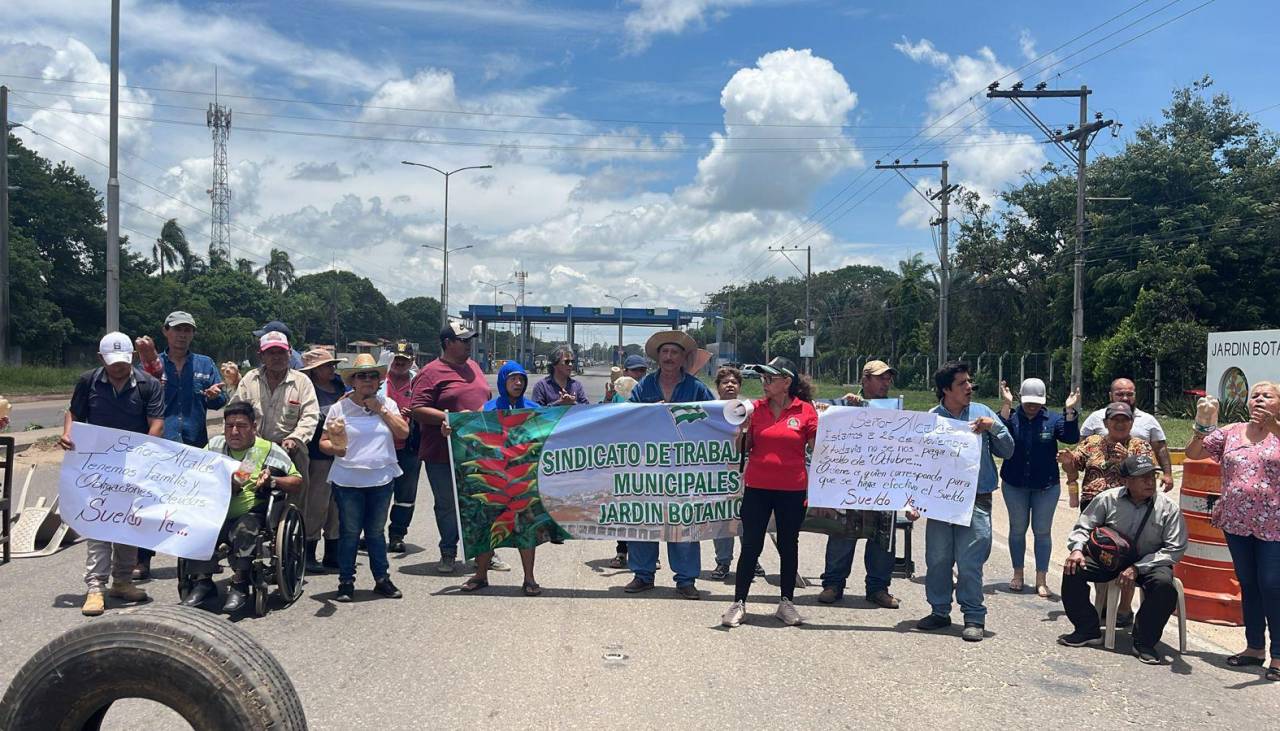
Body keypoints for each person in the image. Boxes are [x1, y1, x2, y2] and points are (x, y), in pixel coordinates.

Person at [58, 332, 164, 617]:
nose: (118, 367)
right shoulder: (88, 381)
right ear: (100, 359)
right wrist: (68, 433)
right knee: (99, 525)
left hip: (133, 466)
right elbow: (74, 413)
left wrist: (147, 452)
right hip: (97, 467)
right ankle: (95, 588)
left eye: (123, 361)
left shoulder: (148, 385)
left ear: (132, 357)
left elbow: (156, 423)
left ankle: (123, 582)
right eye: (111, 361)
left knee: (127, 525)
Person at [1185, 383, 1280, 681]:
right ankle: (1254, 648)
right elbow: (1195, 452)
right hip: (1236, 522)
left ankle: (1278, 654)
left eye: (1268, 396)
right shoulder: (1233, 431)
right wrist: (1203, 422)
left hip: (1273, 524)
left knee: (1271, 584)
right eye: (1255, 395)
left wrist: (1275, 425)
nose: (1260, 400)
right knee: (1248, 583)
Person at [914, 362, 1014, 642]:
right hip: (940, 501)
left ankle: (974, 616)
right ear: (946, 389)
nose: (969, 387)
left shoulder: (983, 413)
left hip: (976, 500)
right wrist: (914, 502)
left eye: (970, 382)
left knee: (970, 562)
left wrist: (994, 428)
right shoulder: (931, 419)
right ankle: (939, 611)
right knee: (938, 559)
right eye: (962, 383)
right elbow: (919, 465)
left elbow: (1008, 450)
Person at [1058, 454, 1187, 664]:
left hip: (1150, 562)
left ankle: (1144, 641)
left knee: (1165, 586)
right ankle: (1087, 629)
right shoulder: (1107, 499)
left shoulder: (1168, 508)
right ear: (1126, 481)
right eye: (1142, 477)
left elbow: (1175, 548)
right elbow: (1084, 526)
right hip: (1111, 558)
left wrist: (1138, 567)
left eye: (1152, 477)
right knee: (1073, 568)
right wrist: (1077, 549)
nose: (1149, 482)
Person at [131, 310, 228, 580]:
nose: (182, 335)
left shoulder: (205, 364)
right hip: (160, 442)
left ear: (193, 334)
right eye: (177, 329)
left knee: (196, 502)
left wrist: (215, 396)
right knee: (151, 501)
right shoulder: (149, 363)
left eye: (188, 330)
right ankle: (143, 559)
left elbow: (221, 400)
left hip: (195, 443)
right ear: (166, 331)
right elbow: (137, 397)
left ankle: (199, 557)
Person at [721, 357, 817, 628]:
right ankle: (738, 603)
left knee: (789, 545)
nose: (764, 383)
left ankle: (786, 602)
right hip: (758, 488)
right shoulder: (756, 410)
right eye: (762, 378)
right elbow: (744, 448)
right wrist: (741, 430)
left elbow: (817, 449)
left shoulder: (805, 411)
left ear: (786, 382)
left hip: (793, 490)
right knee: (751, 545)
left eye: (770, 378)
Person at [181, 402, 303, 612]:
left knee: (245, 528)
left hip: (250, 511)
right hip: (215, 509)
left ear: (253, 427)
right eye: (229, 426)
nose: (234, 431)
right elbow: (193, 470)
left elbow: (297, 480)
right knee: (197, 527)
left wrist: (272, 480)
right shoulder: (214, 446)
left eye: (241, 426)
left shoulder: (265, 449)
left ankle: (240, 583)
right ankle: (203, 581)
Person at [625, 330, 715, 599]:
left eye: (674, 352)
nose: (668, 356)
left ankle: (686, 580)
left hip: (684, 469)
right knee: (642, 520)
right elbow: (627, 418)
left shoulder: (696, 388)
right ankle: (643, 574)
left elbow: (714, 418)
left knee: (683, 522)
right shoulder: (643, 387)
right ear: (657, 357)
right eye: (664, 352)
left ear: (682, 358)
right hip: (647, 466)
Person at [319, 354, 409, 602]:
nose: (368, 380)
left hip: (381, 479)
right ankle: (346, 581)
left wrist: (380, 410)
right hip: (348, 480)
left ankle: (382, 579)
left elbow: (403, 432)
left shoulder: (387, 404)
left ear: (379, 380)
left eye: (373, 376)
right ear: (353, 381)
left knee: (376, 532)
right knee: (349, 532)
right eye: (362, 376)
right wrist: (335, 449)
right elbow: (324, 441)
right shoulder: (340, 407)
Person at [454, 360, 547, 596]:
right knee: (486, 527)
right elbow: (470, 435)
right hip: (493, 477)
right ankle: (480, 575)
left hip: (523, 479)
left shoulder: (534, 409)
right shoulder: (488, 409)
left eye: (522, 379)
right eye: (512, 378)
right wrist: (452, 428)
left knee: (526, 529)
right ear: (502, 381)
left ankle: (529, 578)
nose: (518, 383)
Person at [1058, 401, 1154, 628]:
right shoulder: (1092, 443)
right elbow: (1074, 468)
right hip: (1094, 508)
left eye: (1125, 420)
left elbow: (1149, 475)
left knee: (1127, 554)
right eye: (1115, 420)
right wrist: (1068, 462)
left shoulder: (1140, 446)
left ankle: (1124, 608)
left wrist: (1126, 461)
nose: (1120, 424)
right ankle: (1102, 605)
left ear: (1132, 422)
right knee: (1099, 556)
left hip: (1129, 509)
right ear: (1105, 422)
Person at [817, 360, 904, 609]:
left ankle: (878, 588)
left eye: (888, 378)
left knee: (882, 535)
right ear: (865, 381)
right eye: (880, 378)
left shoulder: (895, 409)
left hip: (883, 482)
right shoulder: (845, 405)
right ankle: (833, 584)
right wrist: (844, 405)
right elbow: (820, 415)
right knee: (843, 531)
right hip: (849, 481)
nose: (885, 383)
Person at [410, 323, 493, 574]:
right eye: (463, 340)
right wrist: (451, 418)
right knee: (448, 504)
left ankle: (485, 552)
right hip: (442, 452)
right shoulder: (430, 372)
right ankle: (448, 551)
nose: (469, 345)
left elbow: (487, 400)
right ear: (448, 343)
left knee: (481, 503)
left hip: (477, 450)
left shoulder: (475, 367)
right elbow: (416, 409)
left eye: (470, 340)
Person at [229, 330, 321, 554]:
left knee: (296, 498)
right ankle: (243, 539)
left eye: (281, 352)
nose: (276, 357)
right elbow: (236, 410)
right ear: (261, 356)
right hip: (255, 451)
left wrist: (295, 438)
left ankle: (294, 548)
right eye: (270, 353)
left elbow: (311, 416)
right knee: (241, 488)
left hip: (291, 449)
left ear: (289, 353)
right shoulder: (249, 380)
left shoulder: (302, 382)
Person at [997, 377, 1081, 597]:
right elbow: (999, 433)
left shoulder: (1053, 419)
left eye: (1036, 401)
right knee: (1017, 529)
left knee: (1042, 531)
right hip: (1015, 484)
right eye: (1028, 401)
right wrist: (1006, 404)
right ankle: (1018, 574)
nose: (1032, 405)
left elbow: (1070, 436)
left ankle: (1041, 579)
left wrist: (1070, 410)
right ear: (1021, 399)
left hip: (1046, 486)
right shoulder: (1013, 418)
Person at [707, 366, 764, 582]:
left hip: (744, 472)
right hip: (718, 474)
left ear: (740, 387)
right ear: (718, 387)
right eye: (725, 382)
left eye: (734, 382)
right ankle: (723, 562)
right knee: (722, 519)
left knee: (748, 519)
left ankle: (751, 559)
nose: (730, 385)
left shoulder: (749, 410)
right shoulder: (708, 411)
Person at [1081, 378, 1174, 492]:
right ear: (1111, 395)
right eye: (1119, 394)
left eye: (1129, 394)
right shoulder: (1095, 418)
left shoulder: (1148, 420)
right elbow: (1082, 448)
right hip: (1099, 490)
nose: (1125, 398)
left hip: (1137, 490)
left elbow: (1160, 449)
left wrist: (1168, 474)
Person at [301, 348, 347, 574]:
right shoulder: (307, 389)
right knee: (317, 504)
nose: (331, 369)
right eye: (326, 366)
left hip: (340, 453)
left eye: (332, 365)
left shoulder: (340, 385)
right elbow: (309, 418)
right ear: (314, 370)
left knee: (337, 506)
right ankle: (309, 551)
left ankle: (332, 551)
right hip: (317, 454)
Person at [606, 354, 650, 569]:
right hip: (623, 458)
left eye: (642, 370)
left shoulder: (651, 391)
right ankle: (622, 551)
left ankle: (648, 554)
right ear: (625, 372)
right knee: (624, 507)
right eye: (635, 371)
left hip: (647, 458)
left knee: (648, 508)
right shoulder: (616, 396)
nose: (639, 375)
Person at [383, 340, 424, 555]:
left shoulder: (419, 383)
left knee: (405, 495)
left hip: (409, 448)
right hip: (380, 447)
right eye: (396, 360)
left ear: (412, 362)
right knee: (376, 492)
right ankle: (373, 534)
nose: (399, 363)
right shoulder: (378, 380)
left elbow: (429, 407)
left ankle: (397, 534)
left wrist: (415, 412)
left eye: (404, 360)